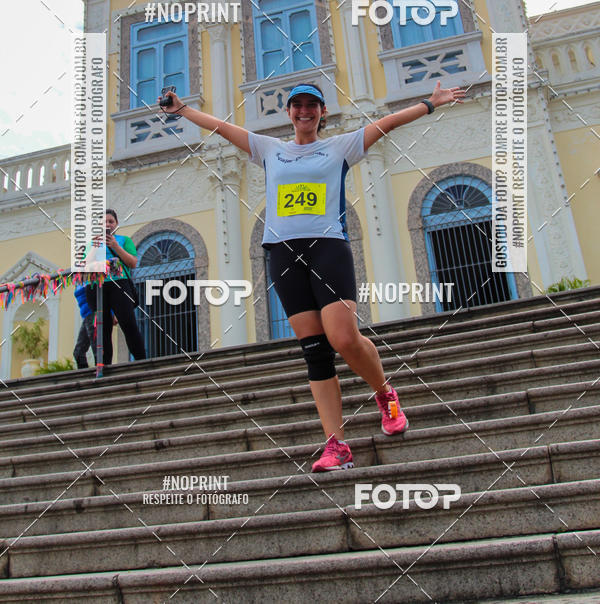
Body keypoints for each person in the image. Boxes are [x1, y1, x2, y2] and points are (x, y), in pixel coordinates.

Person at [159, 80, 465, 470]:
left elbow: (387, 123)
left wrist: (430, 103)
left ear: (322, 112)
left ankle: (385, 393)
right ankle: (336, 445)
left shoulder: (340, 147)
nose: (304, 111)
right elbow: (221, 127)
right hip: (283, 255)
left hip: (327, 248)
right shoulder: (271, 150)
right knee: (315, 352)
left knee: (343, 338)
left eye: (312, 105)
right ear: (288, 112)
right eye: (297, 105)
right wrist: (181, 109)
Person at [83, 209, 147, 366]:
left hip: (119, 283)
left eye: (111, 221)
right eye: (104, 222)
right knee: (102, 329)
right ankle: (104, 366)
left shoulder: (124, 240)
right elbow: (85, 266)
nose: (107, 224)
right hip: (96, 286)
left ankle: (142, 362)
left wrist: (115, 246)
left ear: (116, 224)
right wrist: (96, 246)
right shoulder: (91, 244)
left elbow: (132, 263)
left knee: (128, 323)